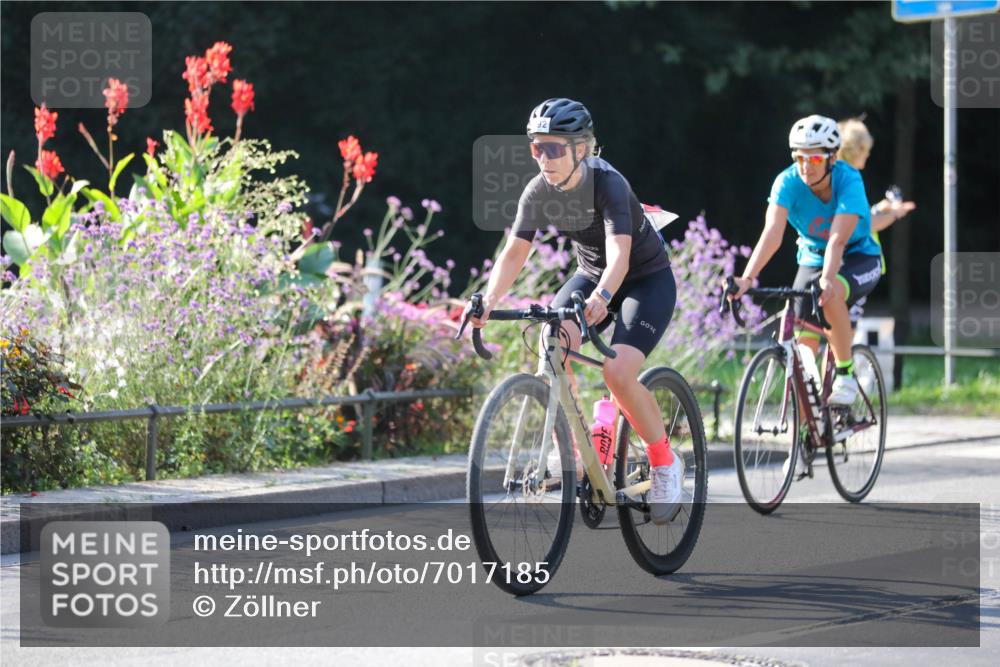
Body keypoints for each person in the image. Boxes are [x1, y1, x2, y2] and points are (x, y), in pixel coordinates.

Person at [470, 97, 682, 524]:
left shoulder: (608, 184)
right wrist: (488, 300)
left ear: (580, 149)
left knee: (617, 372)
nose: (543, 158)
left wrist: (602, 299)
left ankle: (665, 462)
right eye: (536, 148)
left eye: (554, 148)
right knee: (552, 342)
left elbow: (620, 255)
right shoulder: (538, 190)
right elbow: (515, 251)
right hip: (592, 275)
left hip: (644, 280)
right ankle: (572, 449)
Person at [728, 114, 883, 406]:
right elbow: (772, 233)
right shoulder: (786, 182)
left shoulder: (849, 179)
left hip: (858, 256)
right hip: (812, 257)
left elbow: (838, 240)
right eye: (799, 158)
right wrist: (747, 279)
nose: (804, 166)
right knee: (803, 356)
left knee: (831, 292)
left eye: (813, 160)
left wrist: (827, 279)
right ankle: (805, 431)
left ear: (831, 158)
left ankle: (846, 375)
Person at [837, 117, 916, 323]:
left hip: (840, 259)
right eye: (866, 149)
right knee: (846, 328)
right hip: (854, 261)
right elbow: (865, 225)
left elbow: (854, 217)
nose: (869, 154)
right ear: (857, 149)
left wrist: (880, 207)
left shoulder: (836, 175)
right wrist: (894, 214)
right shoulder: (850, 178)